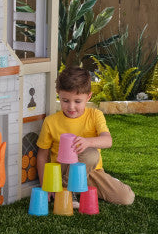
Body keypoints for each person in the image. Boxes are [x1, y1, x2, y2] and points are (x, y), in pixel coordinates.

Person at [36, 66, 134, 206]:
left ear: (88, 97)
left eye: (77, 101)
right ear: (58, 94)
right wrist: (45, 185)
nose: (71, 107)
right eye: (65, 101)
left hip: (90, 171)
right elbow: (42, 155)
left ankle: (69, 190)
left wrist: (88, 142)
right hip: (62, 171)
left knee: (126, 198)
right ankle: (67, 190)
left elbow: (108, 141)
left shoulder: (95, 115)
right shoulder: (51, 121)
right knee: (91, 155)